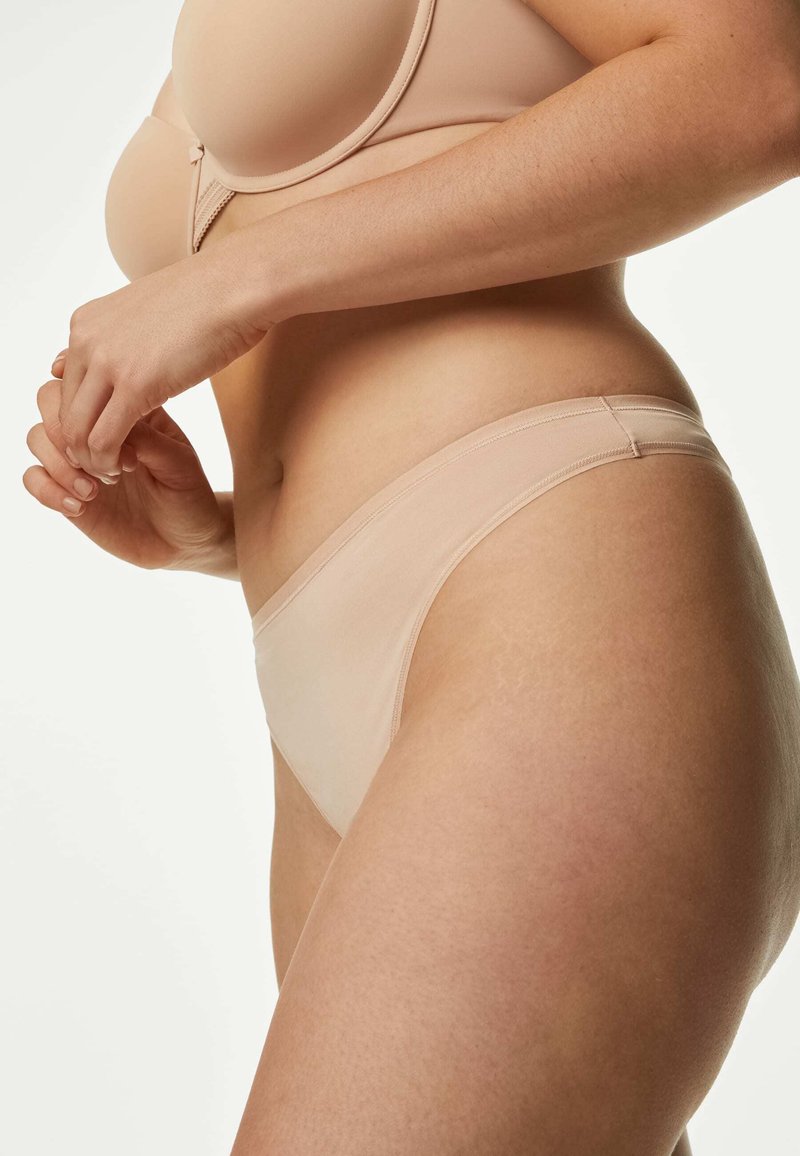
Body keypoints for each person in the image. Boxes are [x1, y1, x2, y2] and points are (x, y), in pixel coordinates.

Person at [22, 0, 800, 1151]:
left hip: (539, 565)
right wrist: (221, 538)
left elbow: (757, 83)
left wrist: (238, 281)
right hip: (325, 689)